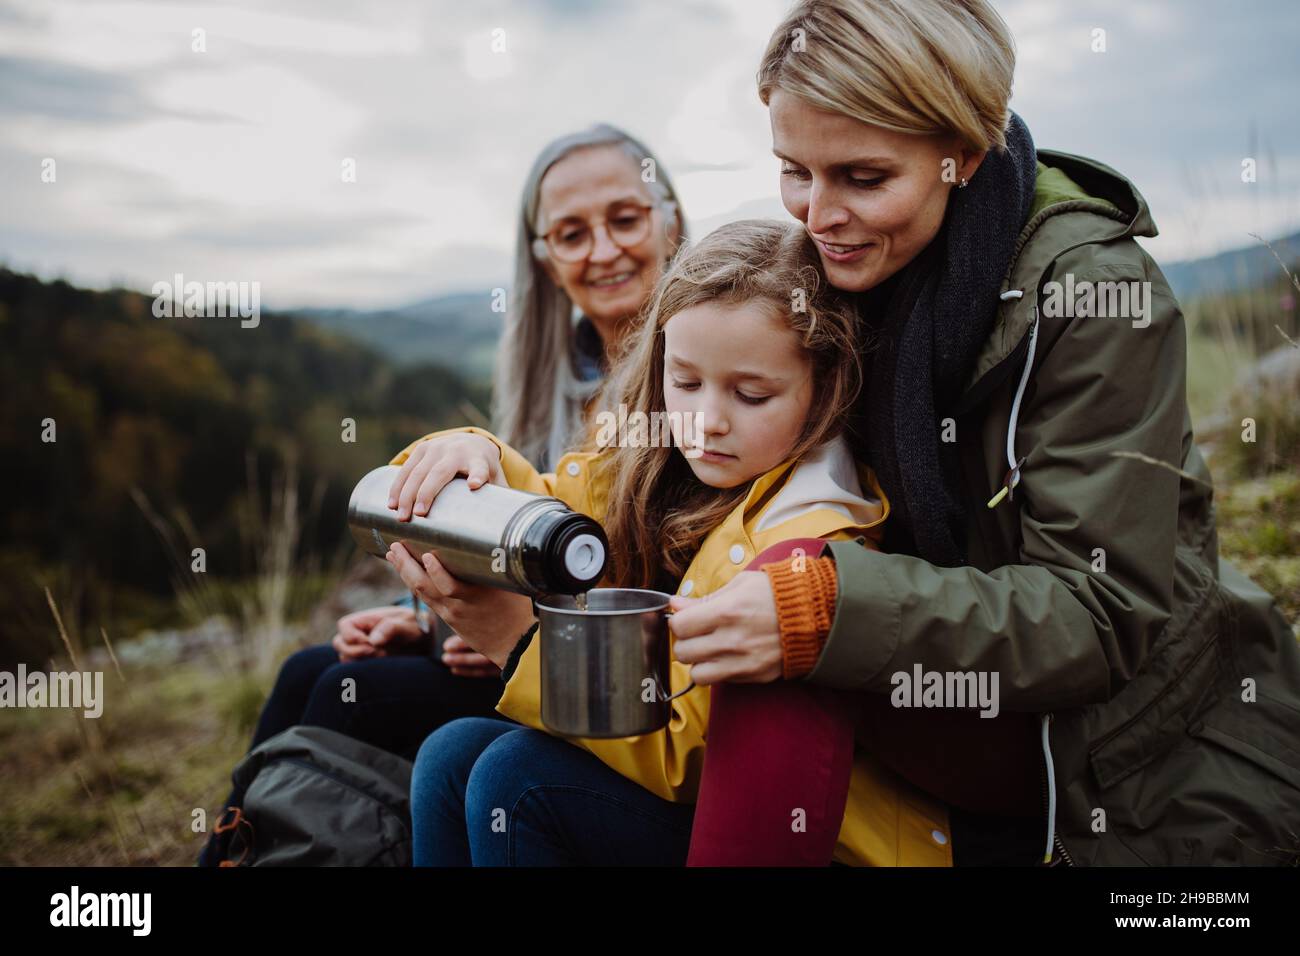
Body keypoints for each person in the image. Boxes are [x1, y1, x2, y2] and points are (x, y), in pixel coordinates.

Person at [387, 0, 1300, 867]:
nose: (819, 215)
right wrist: (491, 477)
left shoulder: (1096, 302)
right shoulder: (849, 262)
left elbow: (1099, 615)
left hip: (1096, 739)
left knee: (780, 667)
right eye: (795, 170)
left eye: (862, 178)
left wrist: (823, 609)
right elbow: (651, 473)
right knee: (479, 759)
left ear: (965, 152)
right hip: (907, 672)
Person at [390, 219, 954, 865]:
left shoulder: (815, 533)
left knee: (516, 781)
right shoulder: (659, 463)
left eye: (750, 394)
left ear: (825, 389)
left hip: (812, 842)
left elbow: (692, 755)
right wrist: (469, 453)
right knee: (452, 754)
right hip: (672, 792)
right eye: (684, 382)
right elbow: (547, 508)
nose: (706, 421)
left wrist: (517, 641)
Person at [197, 123, 685, 866]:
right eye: (571, 233)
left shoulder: (700, 373)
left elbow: (641, 572)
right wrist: (419, 618)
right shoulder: (555, 377)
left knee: (348, 699)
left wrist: (508, 632)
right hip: (506, 654)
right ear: (544, 258)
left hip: (592, 678)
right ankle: (230, 858)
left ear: (671, 219)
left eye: (625, 219)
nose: (603, 250)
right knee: (313, 669)